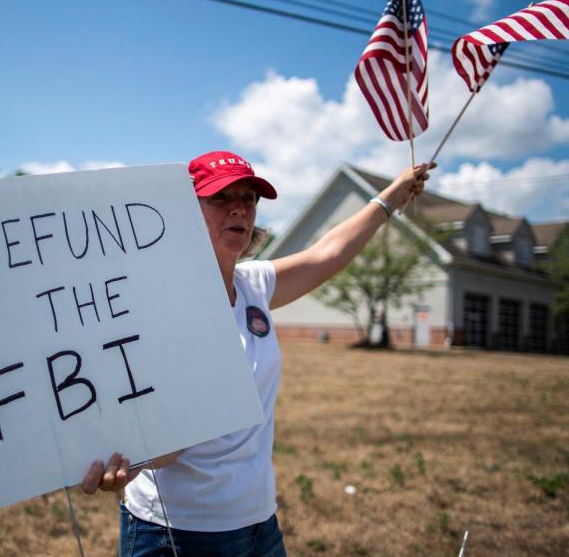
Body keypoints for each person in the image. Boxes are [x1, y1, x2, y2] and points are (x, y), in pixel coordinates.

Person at [82, 150, 433, 556]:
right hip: (177, 533)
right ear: (183, 211)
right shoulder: (155, 304)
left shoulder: (254, 285)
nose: (238, 209)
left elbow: (328, 254)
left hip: (259, 524)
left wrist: (390, 197)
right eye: (220, 197)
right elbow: (166, 440)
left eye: (248, 198)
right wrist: (128, 460)